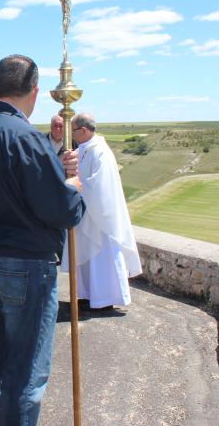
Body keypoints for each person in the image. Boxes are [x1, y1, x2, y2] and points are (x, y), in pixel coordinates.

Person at [0, 54, 85, 426]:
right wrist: (73, 187)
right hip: (27, 264)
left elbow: (10, 186)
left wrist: (54, 170)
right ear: (34, 90)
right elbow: (62, 211)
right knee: (25, 373)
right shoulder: (25, 135)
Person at [64, 113, 142, 310]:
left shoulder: (100, 151)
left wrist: (76, 186)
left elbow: (101, 185)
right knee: (87, 258)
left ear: (83, 130)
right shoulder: (83, 149)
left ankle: (105, 298)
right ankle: (86, 294)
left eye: (73, 131)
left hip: (101, 217)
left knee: (102, 258)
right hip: (87, 214)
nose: (71, 136)